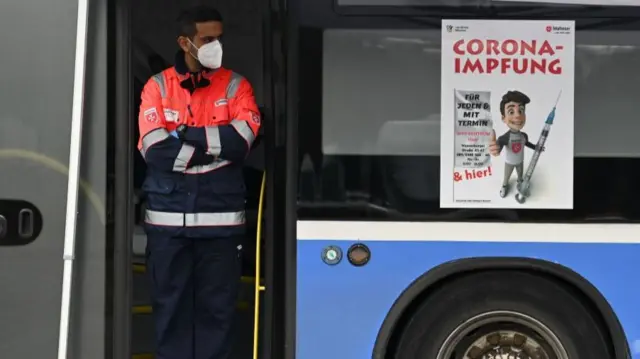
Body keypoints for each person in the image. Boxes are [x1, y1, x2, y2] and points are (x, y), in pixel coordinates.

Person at [136, 5, 261, 359]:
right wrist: (214, 148)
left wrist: (183, 134)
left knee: (217, 317)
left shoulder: (237, 85)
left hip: (221, 230)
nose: (215, 45)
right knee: (171, 314)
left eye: (219, 38)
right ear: (185, 41)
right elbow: (155, 151)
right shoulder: (157, 86)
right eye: (207, 39)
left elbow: (241, 143)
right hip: (168, 230)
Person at [488, 90, 541, 198]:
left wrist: (536, 147)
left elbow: (527, 143)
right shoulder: (505, 137)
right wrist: (495, 148)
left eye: (521, 110)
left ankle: (520, 182)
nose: (518, 116)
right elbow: (499, 146)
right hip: (509, 162)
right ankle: (504, 186)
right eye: (511, 112)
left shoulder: (523, 136)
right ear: (503, 118)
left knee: (520, 175)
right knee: (506, 176)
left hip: (520, 161)